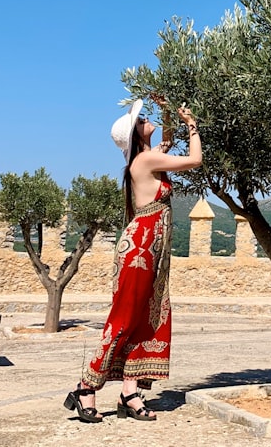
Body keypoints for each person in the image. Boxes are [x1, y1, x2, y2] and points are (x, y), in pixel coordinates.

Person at [64, 96, 201, 423]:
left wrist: (168, 108)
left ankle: (129, 391)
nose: (146, 121)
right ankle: (86, 387)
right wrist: (191, 122)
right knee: (124, 320)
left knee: (142, 320)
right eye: (141, 122)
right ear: (137, 136)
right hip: (140, 251)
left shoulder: (149, 157)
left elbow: (165, 139)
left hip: (151, 252)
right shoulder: (143, 162)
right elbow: (195, 159)